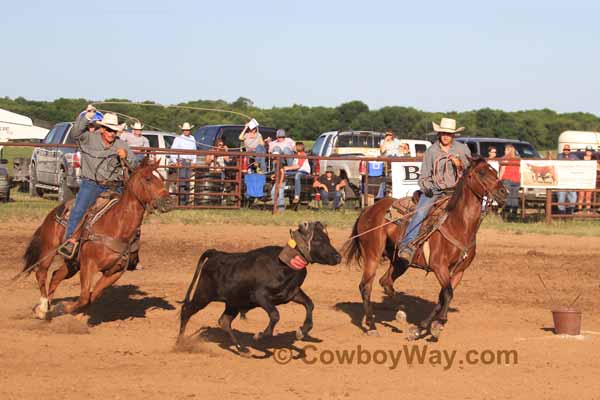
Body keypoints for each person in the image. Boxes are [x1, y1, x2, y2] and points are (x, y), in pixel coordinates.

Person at [58, 109, 136, 258]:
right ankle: (70, 241)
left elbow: (134, 166)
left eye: (114, 131)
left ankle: (130, 249)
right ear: (102, 129)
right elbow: (75, 133)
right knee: (79, 210)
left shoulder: (122, 145)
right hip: (91, 184)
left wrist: (126, 158)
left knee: (129, 213)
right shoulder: (89, 138)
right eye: (108, 130)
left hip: (115, 186)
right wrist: (87, 116)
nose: (111, 133)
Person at [397, 118, 471, 262]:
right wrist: (427, 188)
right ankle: (407, 245)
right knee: (420, 212)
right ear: (439, 134)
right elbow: (424, 175)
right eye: (443, 133)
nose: (445, 136)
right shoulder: (431, 151)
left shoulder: (462, 149)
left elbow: (470, 170)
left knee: (470, 214)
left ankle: (467, 245)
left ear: (453, 135)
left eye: (449, 134)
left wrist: (460, 164)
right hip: (436, 190)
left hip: (456, 191)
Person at [170, 122, 197, 206]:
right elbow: (173, 151)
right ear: (183, 130)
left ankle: (186, 202)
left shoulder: (192, 138)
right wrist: (175, 161)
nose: (186, 131)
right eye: (185, 130)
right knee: (182, 182)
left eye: (188, 130)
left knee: (188, 182)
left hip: (189, 161)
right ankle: (181, 202)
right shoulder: (178, 139)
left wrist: (194, 161)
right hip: (182, 161)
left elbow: (195, 151)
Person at [499, 144, 520, 218]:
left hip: (507, 179)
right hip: (517, 180)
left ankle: (506, 213)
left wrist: (499, 179)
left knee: (507, 197)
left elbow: (503, 170)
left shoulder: (505, 159)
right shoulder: (518, 159)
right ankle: (514, 213)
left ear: (508, 150)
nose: (504, 151)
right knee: (514, 197)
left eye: (505, 150)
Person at [556, 144, 577, 214]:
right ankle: (562, 213)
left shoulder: (574, 157)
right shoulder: (559, 156)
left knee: (573, 197)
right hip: (562, 181)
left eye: (568, 149)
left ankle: (569, 211)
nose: (566, 151)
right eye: (565, 149)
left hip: (571, 181)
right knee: (561, 197)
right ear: (563, 150)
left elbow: (580, 164)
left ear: (570, 150)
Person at [577, 145, 596, 212]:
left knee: (588, 196)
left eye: (591, 151)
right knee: (581, 196)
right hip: (582, 179)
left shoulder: (594, 159)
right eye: (588, 150)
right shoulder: (581, 159)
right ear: (585, 151)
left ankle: (588, 211)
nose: (589, 152)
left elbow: (598, 167)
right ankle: (579, 210)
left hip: (590, 180)